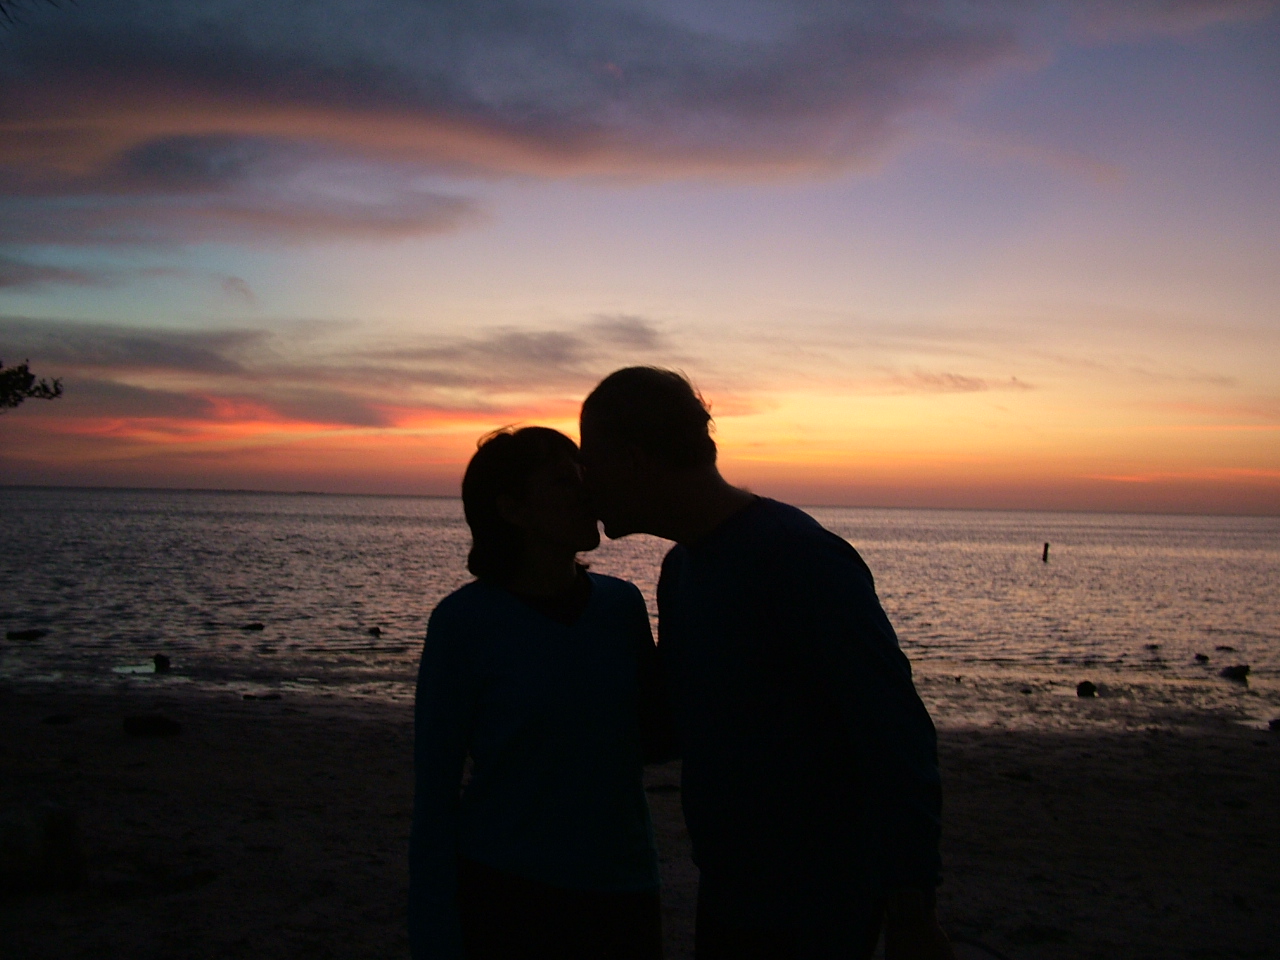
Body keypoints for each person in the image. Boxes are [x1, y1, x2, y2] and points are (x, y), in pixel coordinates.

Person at [579, 368, 955, 960]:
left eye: (590, 459)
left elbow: (894, 731)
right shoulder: (682, 570)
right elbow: (680, 724)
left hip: (817, 902)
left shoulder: (798, 557)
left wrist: (913, 911)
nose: (584, 481)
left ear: (633, 459)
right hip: (731, 889)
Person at [409, 427, 672, 960]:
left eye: (582, 474)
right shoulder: (463, 623)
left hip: (623, 883)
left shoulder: (621, 606)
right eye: (562, 480)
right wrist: (434, 930)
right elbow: (435, 791)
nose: (585, 489)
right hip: (510, 887)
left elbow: (654, 735)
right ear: (512, 510)